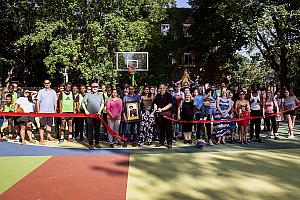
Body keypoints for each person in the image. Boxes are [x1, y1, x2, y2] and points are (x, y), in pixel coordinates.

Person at [82, 83, 104, 149]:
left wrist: (100, 111)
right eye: (93, 87)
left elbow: (102, 103)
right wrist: (85, 110)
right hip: (90, 116)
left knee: (97, 130)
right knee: (90, 130)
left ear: (98, 88)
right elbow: (83, 102)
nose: (95, 88)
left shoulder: (100, 95)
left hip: (97, 115)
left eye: (96, 87)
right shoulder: (88, 95)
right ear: (91, 87)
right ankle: (91, 144)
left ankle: (97, 143)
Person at [36, 80, 57, 145]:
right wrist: (38, 112)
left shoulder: (53, 92)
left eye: (47, 83)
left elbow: (55, 102)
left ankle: (48, 136)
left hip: (51, 112)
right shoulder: (41, 92)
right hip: (42, 112)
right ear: (43, 84)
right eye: (45, 83)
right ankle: (41, 139)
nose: (46, 84)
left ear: (50, 84)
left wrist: (54, 111)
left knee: (49, 125)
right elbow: (38, 102)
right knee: (42, 126)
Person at [153, 84, 173, 149]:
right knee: (161, 129)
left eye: (163, 88)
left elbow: (170, 104)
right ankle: (161, 142)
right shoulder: (157, 96)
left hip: (167, 115)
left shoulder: (168, 95)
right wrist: (156, 108)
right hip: (160, 115)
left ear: (165, 88)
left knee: (168, 129)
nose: (161, 89)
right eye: (160, 88)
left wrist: (162, 109)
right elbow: (155, 103)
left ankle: (169, 143)